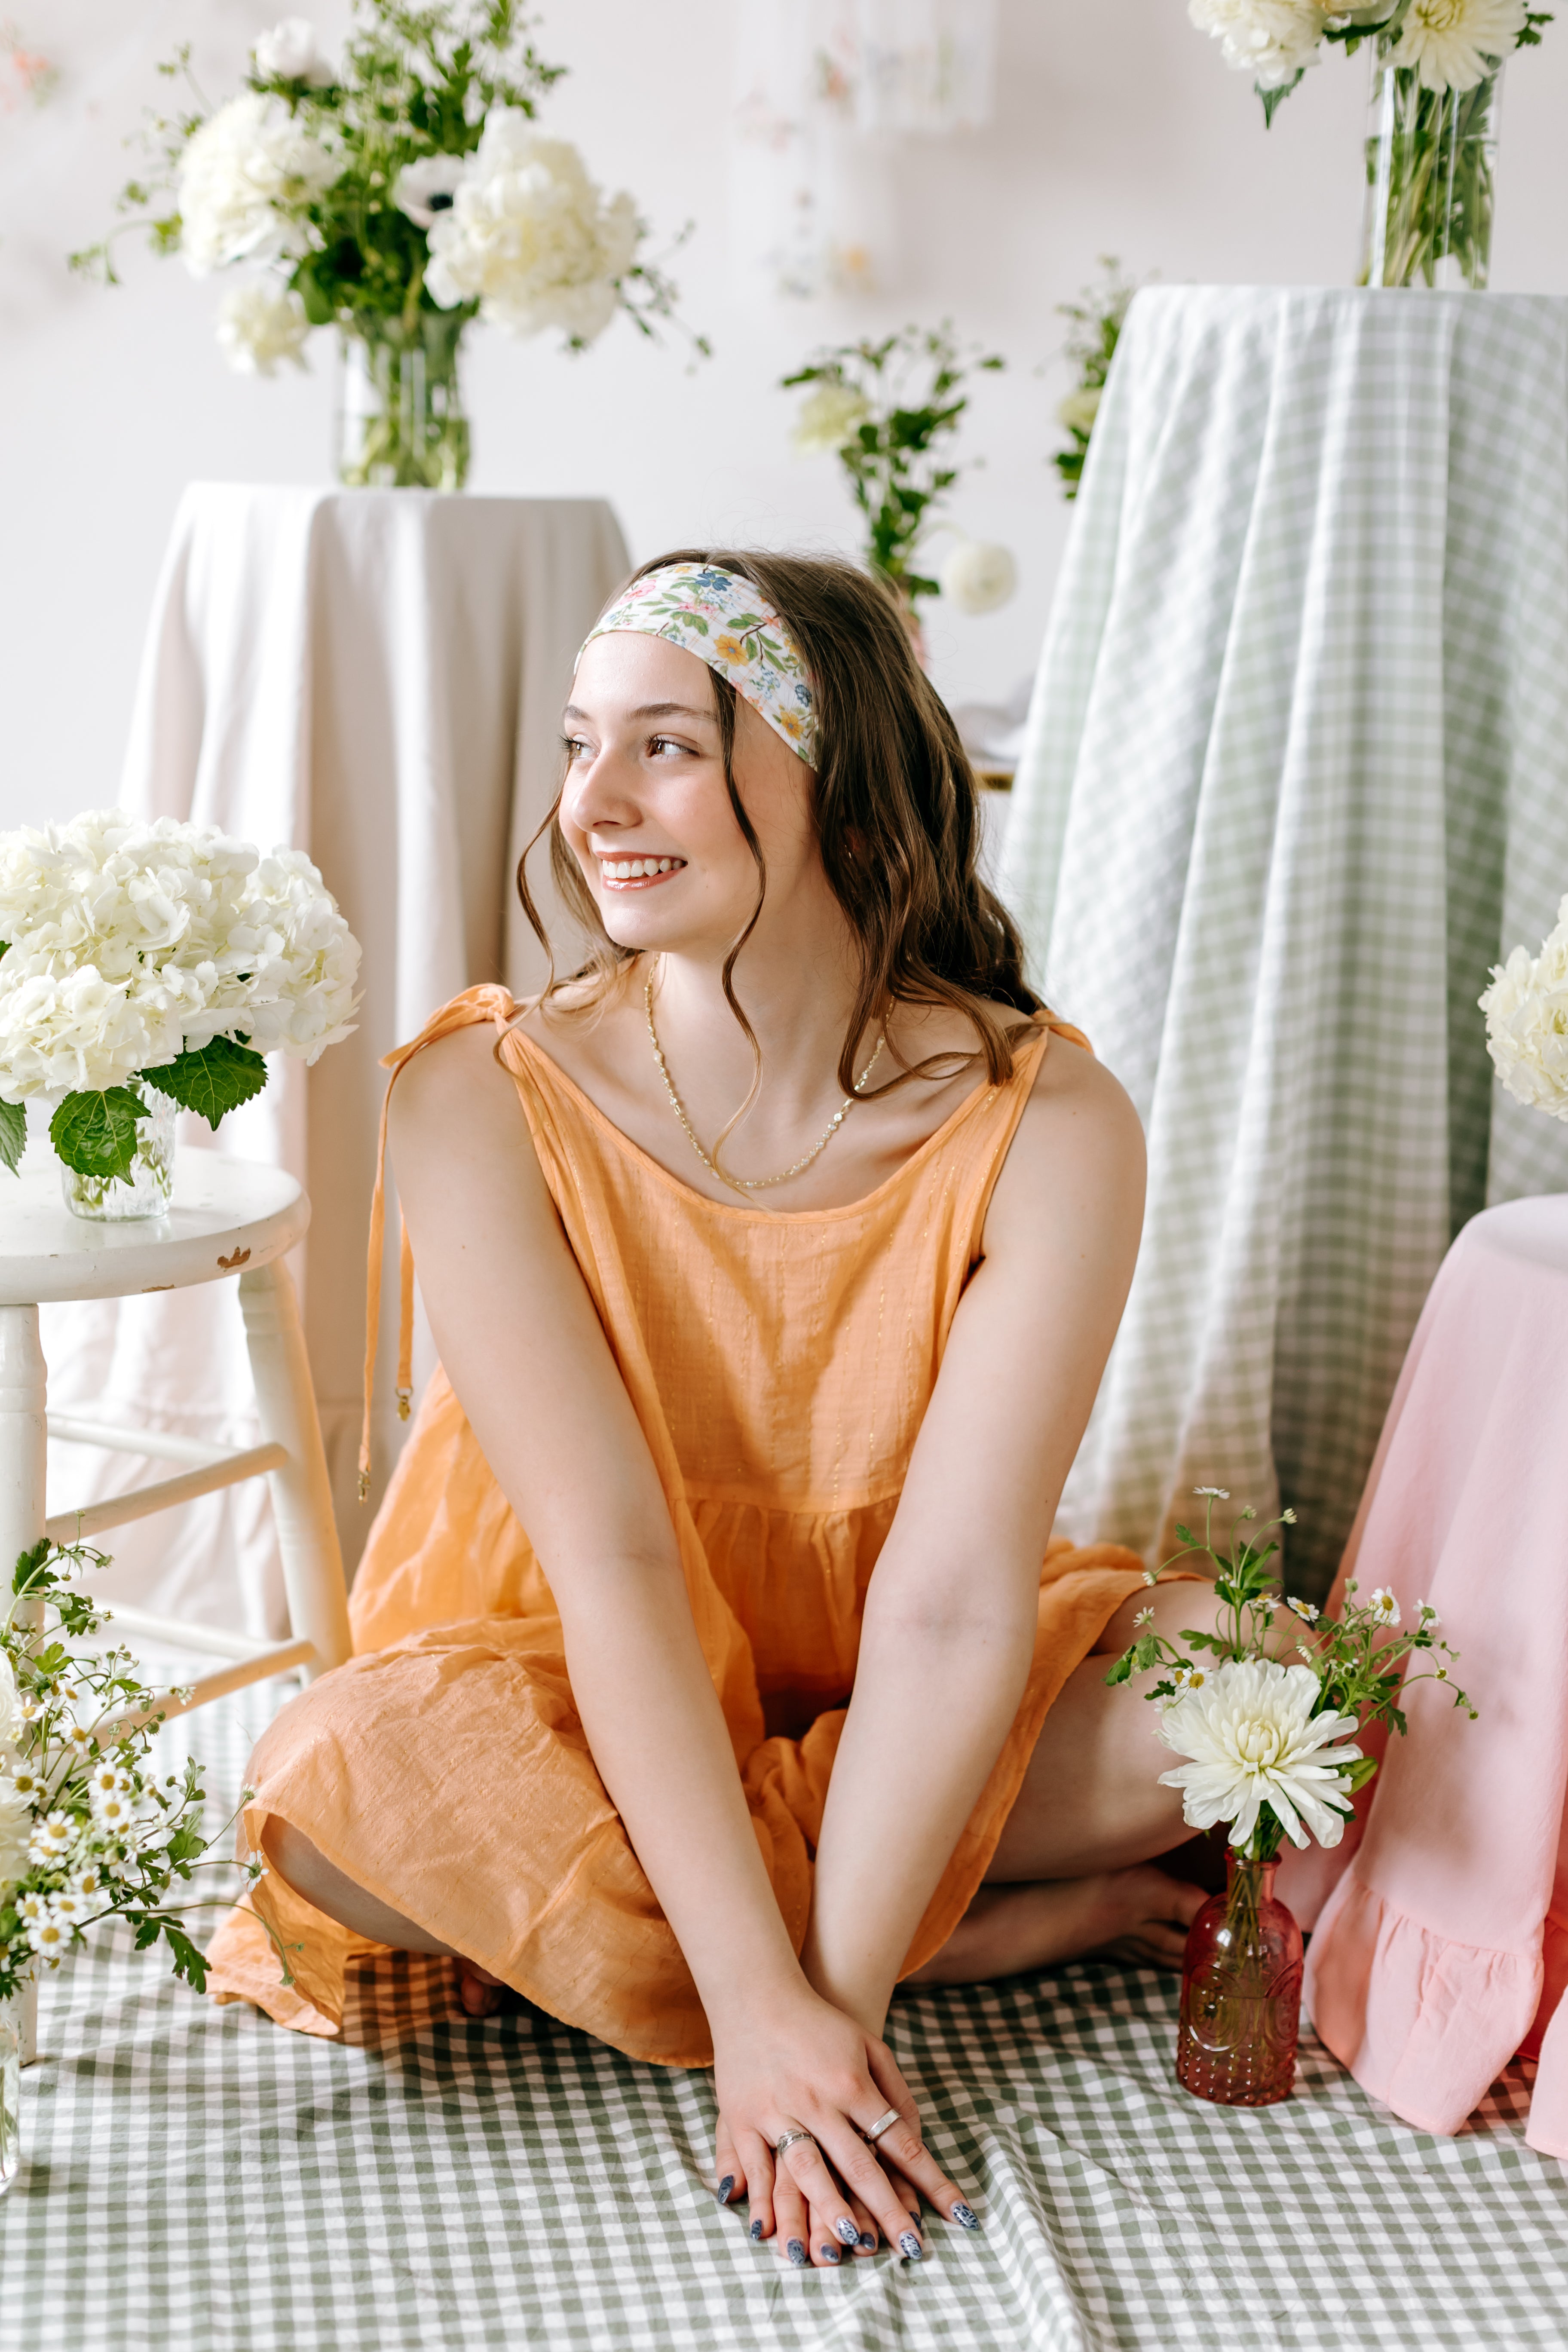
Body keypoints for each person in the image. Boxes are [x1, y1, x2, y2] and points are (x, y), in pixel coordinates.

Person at [206, 551, 1222, 2272]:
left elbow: (955, 1600)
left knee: (1255, 1697)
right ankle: (945, 1925)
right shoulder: (478, 1094)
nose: (593, 801)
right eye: (580, 744)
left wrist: (815, 2015)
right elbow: (611, 1563)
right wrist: (764, 2014)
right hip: (584, 1671)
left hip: (909, 1669)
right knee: (335, 1790)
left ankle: (768, 1930)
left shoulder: (1051, 1122)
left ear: (840, 787)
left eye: (664, 745)